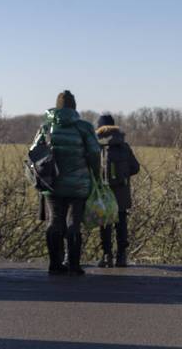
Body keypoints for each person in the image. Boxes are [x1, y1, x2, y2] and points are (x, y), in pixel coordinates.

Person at [31, 90, 101, 276]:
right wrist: (96, 175)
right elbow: (95, 152)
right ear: (74, 107)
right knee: (73, 222)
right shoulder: (84, 127)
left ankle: (54, 263)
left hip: (51, 183)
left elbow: (33, 152)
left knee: (54, 221)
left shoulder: (46, 127)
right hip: (78, 184)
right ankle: (73, 264)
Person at [95, 114, 140, 268]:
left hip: (103, 193)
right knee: (121, 224)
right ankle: (121, 257)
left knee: (105, 224)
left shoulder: (96, 146)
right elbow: (135, 167)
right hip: (121, 194)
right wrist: (123, 176)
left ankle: (106, 256)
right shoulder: (123, 146)